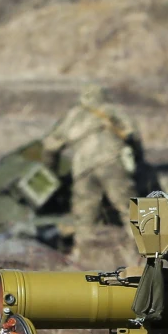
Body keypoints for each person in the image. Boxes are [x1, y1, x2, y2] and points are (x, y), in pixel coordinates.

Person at [42, 84, 141, 252]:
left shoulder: (72, 116)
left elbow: (50, 147)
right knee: (129, 208)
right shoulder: (113, 111)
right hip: (112, 162)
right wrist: (138, 163)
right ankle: (145, 253)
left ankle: (82, 254)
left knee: (84, 218)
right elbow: (134, 138)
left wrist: (51, 172)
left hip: (83, 169)